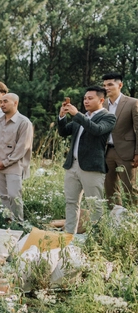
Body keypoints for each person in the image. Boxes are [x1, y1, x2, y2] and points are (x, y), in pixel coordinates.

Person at [58, 87, 116, 234]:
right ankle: (69, 235)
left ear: (101, 100)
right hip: (73, 165)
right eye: (85, 98)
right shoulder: (82, 117)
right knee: (71, 202)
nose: (86, 101)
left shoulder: (108, 117)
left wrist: (77, 114)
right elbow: (64, 132)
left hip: (92, 167)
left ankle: (95, 237)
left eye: (90, 98)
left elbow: (96, 130)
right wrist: (62, 117)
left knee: (94, 204)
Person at [0, 94, 33, 223]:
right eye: (1, 102)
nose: (2, 104)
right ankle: (7, 224)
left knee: (14, 196)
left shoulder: (24, 122)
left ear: (15, 103)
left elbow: (22, 147)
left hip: (14, 166)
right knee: (3, 196)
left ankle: (18, 224)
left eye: (5, 101)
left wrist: (5, 162)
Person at [102, 73, 138, 206]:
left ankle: (133, 220)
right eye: (104, 85)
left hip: (127, 152)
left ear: (120, 85)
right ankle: (115, 219)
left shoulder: (132, 103)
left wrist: (137, 152)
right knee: (110, 189)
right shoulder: (103, 104)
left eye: (110, 84)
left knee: (130, 188)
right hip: (107, 152)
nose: (106, 88)